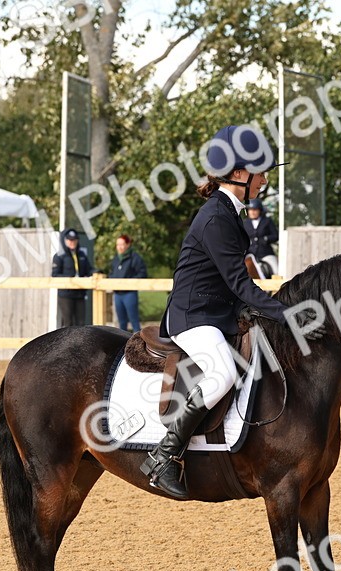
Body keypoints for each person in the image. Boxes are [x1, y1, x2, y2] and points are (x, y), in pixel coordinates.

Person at [139, 125, 324, 499]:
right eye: (260, 173)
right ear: (239, 174)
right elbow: (241, 284)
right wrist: (287, 314)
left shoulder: (230, 212)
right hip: (193, 315)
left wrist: (257, 311)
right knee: (222, 372)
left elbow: (230, 282)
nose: (265, 180)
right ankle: (164, 456)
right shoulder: (216, 217)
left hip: (218, 310)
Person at [51, 229, 92, 327]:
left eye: (74, 240)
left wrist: (96, 273)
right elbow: (55, 275)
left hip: (80, 293)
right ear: (65, 240)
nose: (72, 242)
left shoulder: (81, 255)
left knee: (81, 324)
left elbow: (89, 269)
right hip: (66, 294)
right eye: (70, 240)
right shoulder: (59, 256)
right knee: (68, 323)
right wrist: (71, 279)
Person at [109, 234, 147, 332]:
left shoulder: (135, 258)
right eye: (118, 245)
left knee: (134, 322)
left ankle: (138, 341)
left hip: (129, 294)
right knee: (121, 322)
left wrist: (130, 281)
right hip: (118, 294)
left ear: (127, 244)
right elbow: (112, 273)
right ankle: (123, 341)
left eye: (122, 244)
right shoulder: (116, 259)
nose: (119, 247)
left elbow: (142, 273)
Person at [243, 198, 279, 276]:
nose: (252, 212)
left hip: (265, 253)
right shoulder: (245, 223)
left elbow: (275, 235)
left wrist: (266, 239)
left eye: (255, 210)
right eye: (250, 210)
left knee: (276, 270)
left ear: (260, 210)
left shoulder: (267, 221)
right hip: (250, 254)